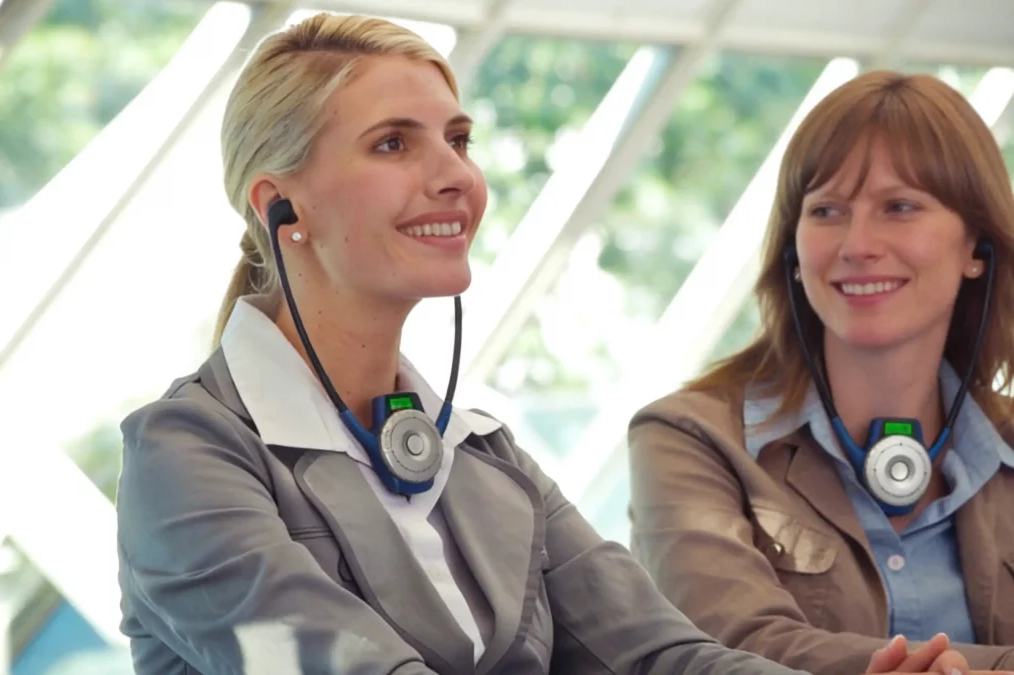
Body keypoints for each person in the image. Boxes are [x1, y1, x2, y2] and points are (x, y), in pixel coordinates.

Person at [116, 16, 977, 674]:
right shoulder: (188, 456)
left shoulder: (481, 453)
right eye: (393, 143)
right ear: (281, 207)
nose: (455, 174)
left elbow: (660, 655)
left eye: (457, 140)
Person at [628, 69, 1014, 675]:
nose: (857, 243)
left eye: (900, 207)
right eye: (827, 210)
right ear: (794, 253)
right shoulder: (688, 439)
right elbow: (735, 646)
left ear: (976, 248)